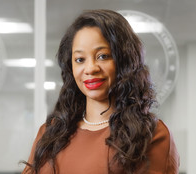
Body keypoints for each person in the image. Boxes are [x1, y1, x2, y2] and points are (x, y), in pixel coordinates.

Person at [22, 9, 179, 174]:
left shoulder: (151, 134)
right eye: (80, 59)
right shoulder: (51, 132)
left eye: (103, 56)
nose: (90, 68)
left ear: (124, 60)